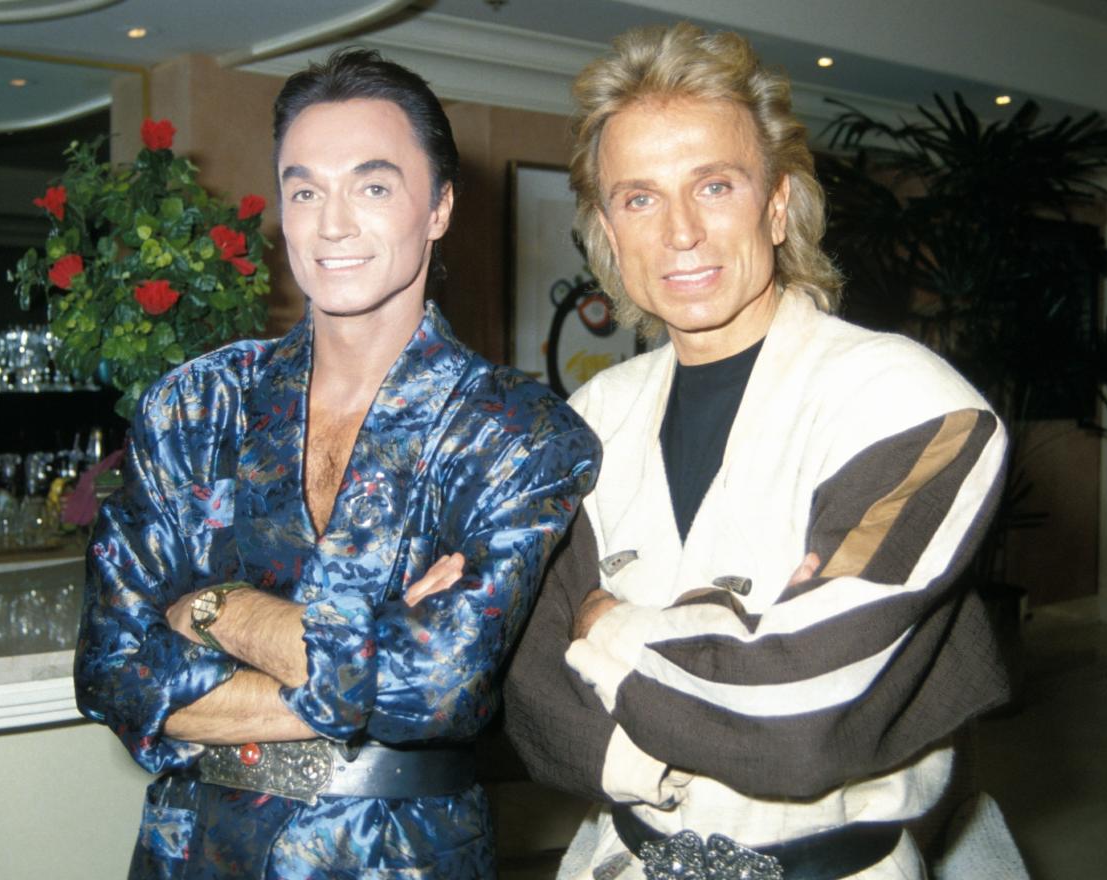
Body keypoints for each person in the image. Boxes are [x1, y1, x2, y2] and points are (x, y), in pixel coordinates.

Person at [74, 48, 600, 879]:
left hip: (400, 858)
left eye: (374, 186)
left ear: (440, 208)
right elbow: (113, 671)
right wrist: (374, 650)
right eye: (305, 189)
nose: (332, 224)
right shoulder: (196, 403)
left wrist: (211, 608)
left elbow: (438, 689)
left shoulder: (522, 433)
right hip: (191, 852)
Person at [504, 23, 1011, 880]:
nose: (681, 233)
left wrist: (607, 625)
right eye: (639, 198)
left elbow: (807, 720)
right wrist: (718, 648)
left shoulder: (913, 404)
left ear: (777, 206)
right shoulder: (584, 423)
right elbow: (529, 689)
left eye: (715, 186)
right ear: (606, 234)